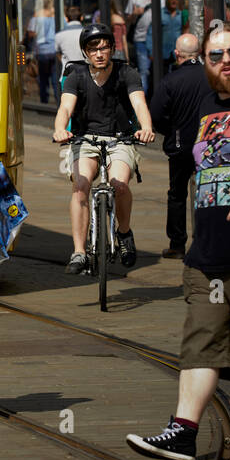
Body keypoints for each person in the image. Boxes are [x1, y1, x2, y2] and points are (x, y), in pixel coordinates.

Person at [126, 22, 230, 460]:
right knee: (200, 345)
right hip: (208, 256)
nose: (226, 61)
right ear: (201, 61)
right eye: (215, 55)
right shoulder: (206, 103)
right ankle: (183, 432)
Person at [52, 22, 156, 274]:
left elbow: (139, 103)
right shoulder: (76, 75)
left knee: (120, 184)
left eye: (104, 47)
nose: (99, 53)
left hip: (120, 138)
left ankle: (124, 232)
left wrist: (146, 127)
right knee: (80, 187)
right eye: (93, 48)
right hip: (84, 138)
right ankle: (79, 252)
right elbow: (65, 107)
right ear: (85, 52)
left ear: (112, 48)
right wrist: (60, 129)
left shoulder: (126, 73)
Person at [150, 33, 206, 261]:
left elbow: (156, 114)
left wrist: (171, 132)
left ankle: (177, 243)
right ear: (200, 53)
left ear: (177, 54)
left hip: (180, 145)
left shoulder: (170, 81)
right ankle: (205, 241)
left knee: (177, 194)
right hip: (208, 144)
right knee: (207, 193)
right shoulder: (211, 77)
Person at [126, 0, 154, 92]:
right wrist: (134, 14)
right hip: (141, 38)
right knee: (144, 70)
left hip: (157, 38)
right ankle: (144, 100)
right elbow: (127, 20)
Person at [27, 0, 57, 104]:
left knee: (43, 78)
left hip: (41, 51)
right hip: (54, 49)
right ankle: (58, 100)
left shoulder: (37, 16)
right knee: (55, 77)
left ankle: (44, 101)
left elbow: (31, 33)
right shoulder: (55, 14)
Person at [53, 4, 85, 89]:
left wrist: (64, 60)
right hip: (87, 75)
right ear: (81, 17)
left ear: (66, 19)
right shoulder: (86, 33)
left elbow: (57, 52)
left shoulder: (59, 35)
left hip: (67, 75)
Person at [161, 0, 187, 70]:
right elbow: (151, 33)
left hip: (177, 53)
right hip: (163, 53)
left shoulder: (181, 14)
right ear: (167, 0)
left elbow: (185, 31)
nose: (174, 1)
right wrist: (151, 52)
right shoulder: (160, 14)